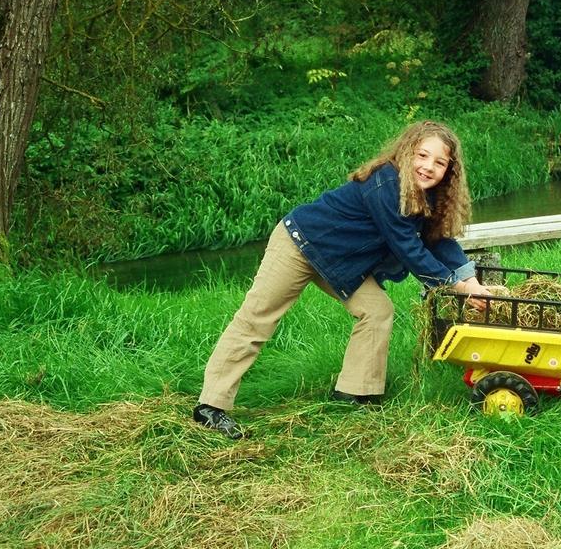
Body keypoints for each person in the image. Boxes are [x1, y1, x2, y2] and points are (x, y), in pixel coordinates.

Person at [194, 120, 494, 439]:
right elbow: (407, 246)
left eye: (439, 162)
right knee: (257, 319)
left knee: (376, 311)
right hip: (302, 244)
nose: (428, 167)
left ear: (449, 169)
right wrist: (455, 286)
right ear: (406, 152)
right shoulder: (386, 183)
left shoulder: (429, 197)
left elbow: (438, 240)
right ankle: (210, 407)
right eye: (422, 155)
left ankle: (352, 395)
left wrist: (469, 281)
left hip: (341, 261)